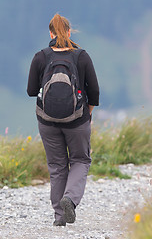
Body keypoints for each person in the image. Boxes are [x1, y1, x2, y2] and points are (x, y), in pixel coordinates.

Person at [27, 13, 99, 226]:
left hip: (47, 121)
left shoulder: (41, 56)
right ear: (69, 32)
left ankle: (59, 218)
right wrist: (88, 114)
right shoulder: (82, 56)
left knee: (57, 166)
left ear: (50, 33)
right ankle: (70, 199)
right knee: (80, 160)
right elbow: (94, 92)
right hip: (78, 121)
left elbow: (31, 90)